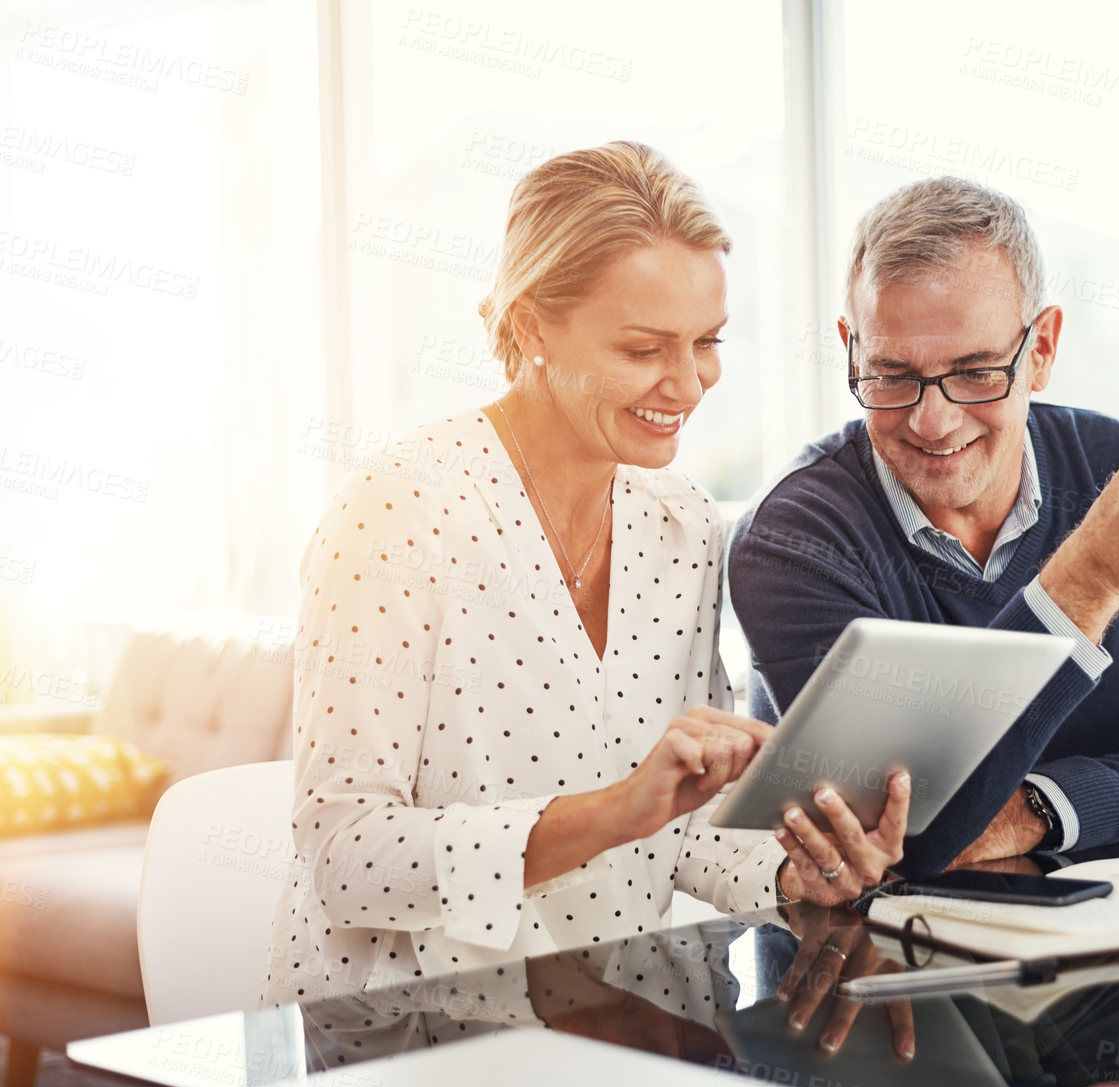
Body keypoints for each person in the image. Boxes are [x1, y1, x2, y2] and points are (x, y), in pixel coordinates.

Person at [261, 142, 910, 1025]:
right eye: (643, 348)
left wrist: (792, 868)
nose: (686, 383)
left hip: (614, 1018)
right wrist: (609, 811)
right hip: (392, 1037)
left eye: (706, 343)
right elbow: (346, 857)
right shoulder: (399, 514)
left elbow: (681, 825)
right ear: (530, 328)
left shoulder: (680, 522)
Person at [728, 176, 1119, 879]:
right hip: (858, 971)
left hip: (1104, 952)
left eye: (974, 372)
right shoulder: (790, 539)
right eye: (890, 373)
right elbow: (906, 838)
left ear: (1043, 349)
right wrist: (1090, 577)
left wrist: (1035, 808)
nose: (931, 421)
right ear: (850, 349)